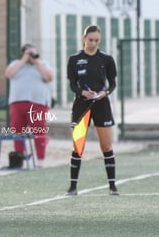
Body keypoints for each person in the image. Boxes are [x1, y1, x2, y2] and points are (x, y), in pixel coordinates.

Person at [65, 25, 119, 196]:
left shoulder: (107, 59)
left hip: (101, 105)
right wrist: (82, 92)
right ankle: (73, 187)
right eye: (90, 40)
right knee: (78, 146)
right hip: (81, 105)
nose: (93, 43)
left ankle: (112, 186)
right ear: (84, 38)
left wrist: (105, 92)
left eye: (96, 40)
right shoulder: (74, 59)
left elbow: (112, 84)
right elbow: (72, 84)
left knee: (106, 146)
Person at [5, 43, 54, 168]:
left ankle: (40, 161)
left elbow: (49, 77)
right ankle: (19, 159)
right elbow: (9, 74)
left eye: (33, 52)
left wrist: (36, 62)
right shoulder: (16, 64)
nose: (31, 55)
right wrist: (23, 60)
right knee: (18, 132)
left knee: (39, 132)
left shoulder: (43, 65)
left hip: (38, 104)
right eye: (28, 53)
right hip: (18, 103)